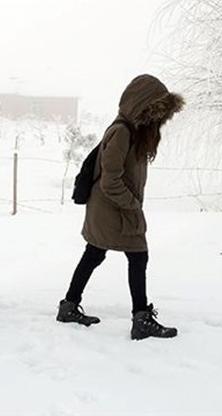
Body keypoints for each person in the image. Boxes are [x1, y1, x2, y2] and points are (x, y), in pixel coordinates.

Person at [56, 74, 184, 340]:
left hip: (113, 209)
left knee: (95, 254)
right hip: (112, 209)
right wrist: (132, 204)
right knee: (138, 256)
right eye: (153, 111)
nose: (156, 119)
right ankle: (141, 319)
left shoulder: (132, 131)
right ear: (141, 106)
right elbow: (110, 180)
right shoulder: (122, 132)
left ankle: (69, 305)